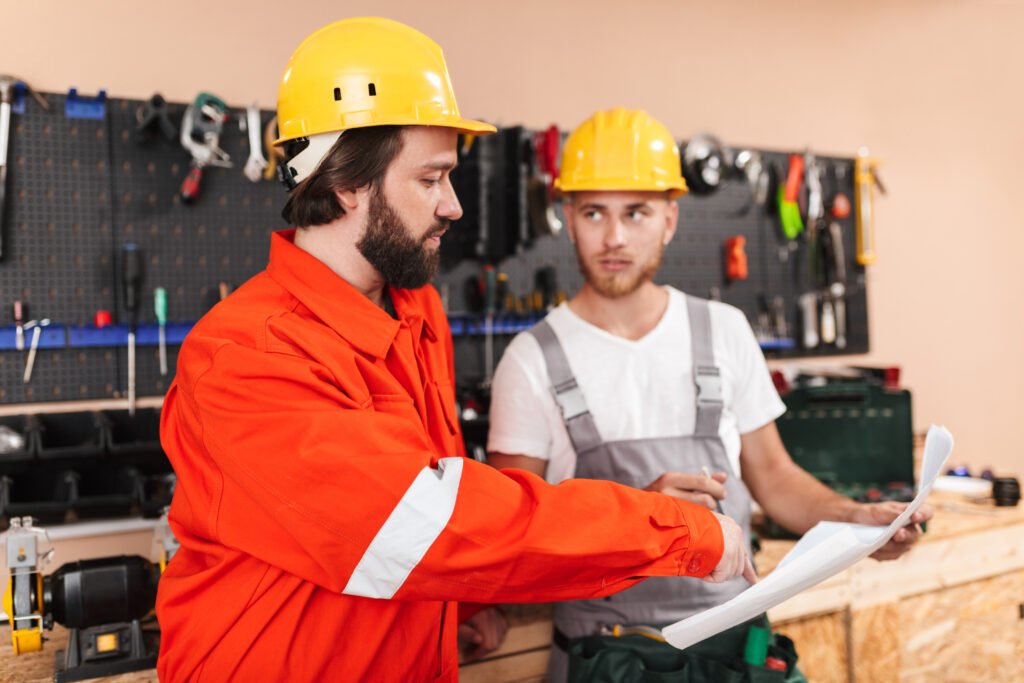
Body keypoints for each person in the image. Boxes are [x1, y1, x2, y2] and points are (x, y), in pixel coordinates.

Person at [155, 21, 755, 682]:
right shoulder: (245, 354)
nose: (454, 205)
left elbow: (439, 504)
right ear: (348, 183)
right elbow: (424, 531)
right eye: (432, 178)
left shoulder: (414, 310)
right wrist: (675, 530)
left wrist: (464, 597)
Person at [487, 107, 933, 681]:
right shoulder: (531, 360)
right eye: (594, 212)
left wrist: (858, 521)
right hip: (609, 659)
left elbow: (775, 479)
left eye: (637, 212)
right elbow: (509, 542)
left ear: (671, 219)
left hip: (734, 653)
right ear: (568, 218)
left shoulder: (723, 330)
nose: (615, 237)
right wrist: (635, 518)